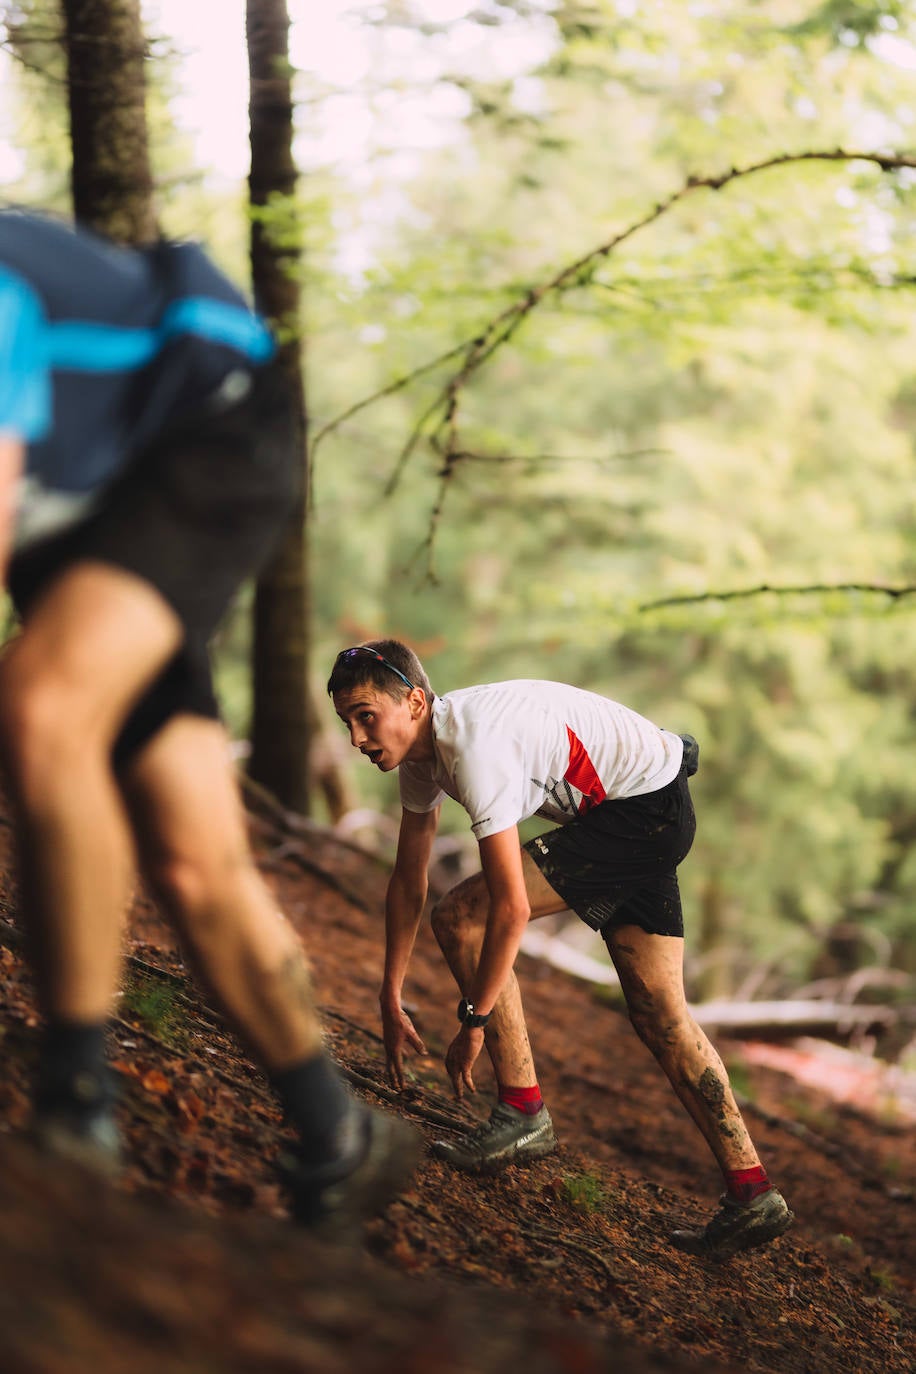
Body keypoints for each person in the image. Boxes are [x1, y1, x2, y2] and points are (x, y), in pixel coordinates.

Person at [0, 210, 419, 1229]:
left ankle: (74, 1108)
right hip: (90, 495)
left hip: (208, 426)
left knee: (46, 706)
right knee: (191, 859)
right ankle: (338, 1129)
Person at [327, 639, 793, 1258]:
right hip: (638, 805)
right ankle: (753, 1192)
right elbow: (407, 878)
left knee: (463, 916)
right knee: (661, 1013)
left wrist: (474, 1020)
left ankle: (522, 1111)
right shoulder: (420, 754)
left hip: (642, 812)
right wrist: (390, 995)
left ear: (415, 702)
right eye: (347, 722)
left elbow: (510, 909)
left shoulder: (474, 747)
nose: (357, 738)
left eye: (365, 716)